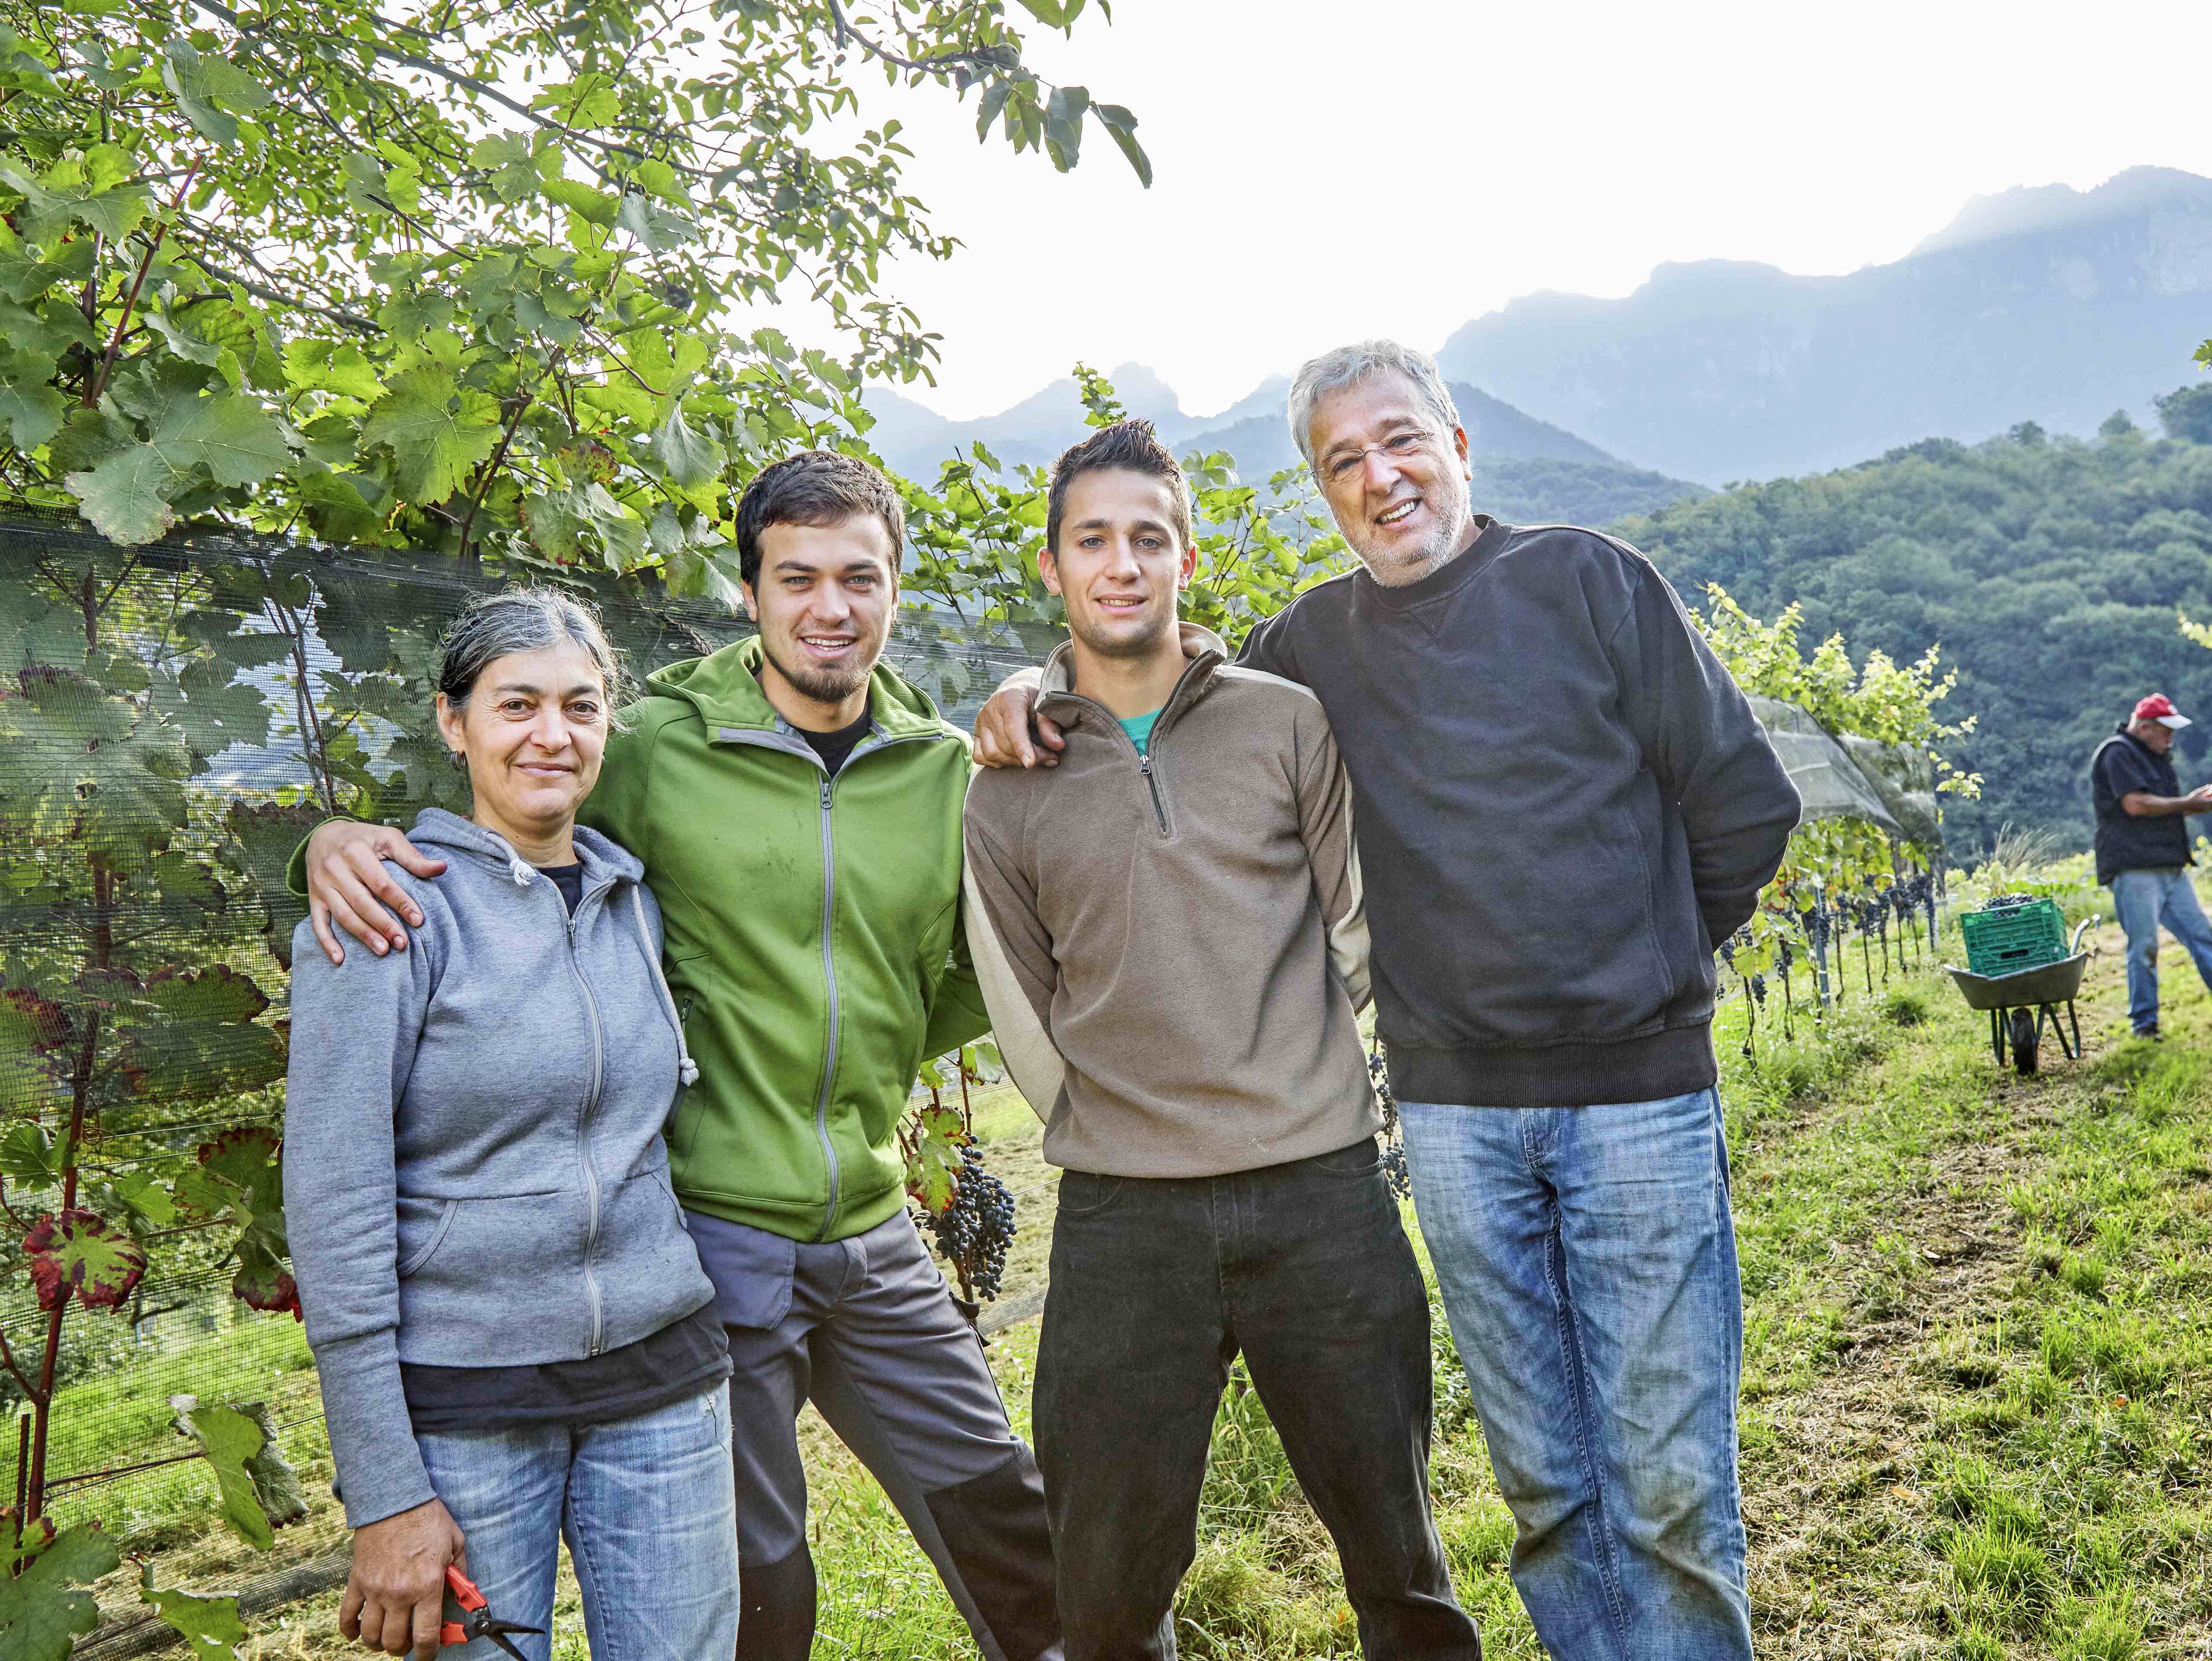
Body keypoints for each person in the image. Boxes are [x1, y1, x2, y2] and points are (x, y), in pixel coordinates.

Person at [975, 343, 1800, 1660]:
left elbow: (1744, 806)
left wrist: (1642, 963)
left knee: (1668, 1492)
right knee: (1543, 1493)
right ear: (1320, 488)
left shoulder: (1589, 581)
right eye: (1341, 461)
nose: (1380, 477)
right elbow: (1166, 704)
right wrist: (1028, 691)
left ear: (1458, 442)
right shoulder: (1307, 651)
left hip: (1636, 1101)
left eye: (1400, 440)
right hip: (1458, 1117)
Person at [294, 455, 1060, 1661]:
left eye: (860, 577)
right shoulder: (652, 745)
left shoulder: (937, 768)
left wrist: (1035, 682)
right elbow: (504, 836)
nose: (829, 606)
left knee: (1008, 1521)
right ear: (749, 593)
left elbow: (976, 966)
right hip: (708, 1240)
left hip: (866, 1226)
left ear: (895, 592)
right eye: (795, 576)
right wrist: (331, 841)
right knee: (758, 1585)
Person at [961, 420, 1480, 1660]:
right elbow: (1021, 1006)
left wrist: (1281, 1060)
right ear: (1053, 568)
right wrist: (1120, 1121)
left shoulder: (1284, 723)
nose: (1123, 564)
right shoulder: (1007, 777)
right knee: (1106, 1592)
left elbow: (1351, 928)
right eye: (1094, 540)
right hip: (1123, 1225)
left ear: (1185, 557)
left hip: (1321, 1196)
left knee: (1398, 1563)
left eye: (1150, 537)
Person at [286, 590, 736, 1661]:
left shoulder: (635, 898)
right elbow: (334, 1202)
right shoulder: (389, 909)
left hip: (662, 1385)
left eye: (581, 706)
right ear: (455, 722)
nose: (552, 733)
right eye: (516, 703)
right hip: (464, 1412)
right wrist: (385, 1490)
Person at [2087, 693, 2212, 1039]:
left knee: (2201, 935)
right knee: (2144, 946)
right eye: (2166, 731)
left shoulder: (2155, 755)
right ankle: (2144, 1023)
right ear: (2145, 726)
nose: (2171, 738)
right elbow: (2135, 804)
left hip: (2169, 864)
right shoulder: (2117, 753)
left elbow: (2166, 804)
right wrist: (2189, 804)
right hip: (2134, 865)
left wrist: (2204, 797)